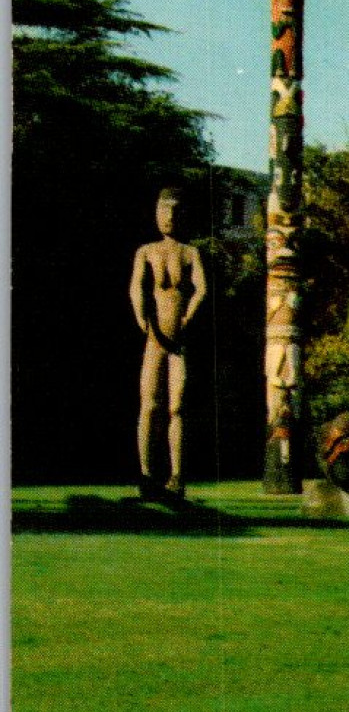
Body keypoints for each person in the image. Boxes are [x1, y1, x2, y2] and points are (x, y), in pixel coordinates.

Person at [129, 188, 208, 499]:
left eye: (175, 212)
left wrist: (188, 317)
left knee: (177, 407)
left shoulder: (190, 253)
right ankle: (147, 474)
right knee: (149, 405)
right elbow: (137, 287)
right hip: (154, 340)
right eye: (164, 211)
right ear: (155, 214)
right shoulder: (146, 251)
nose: (169, 218)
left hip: (179, 344)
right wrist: (142, 316)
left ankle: (177, 475)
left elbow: (201, 289)